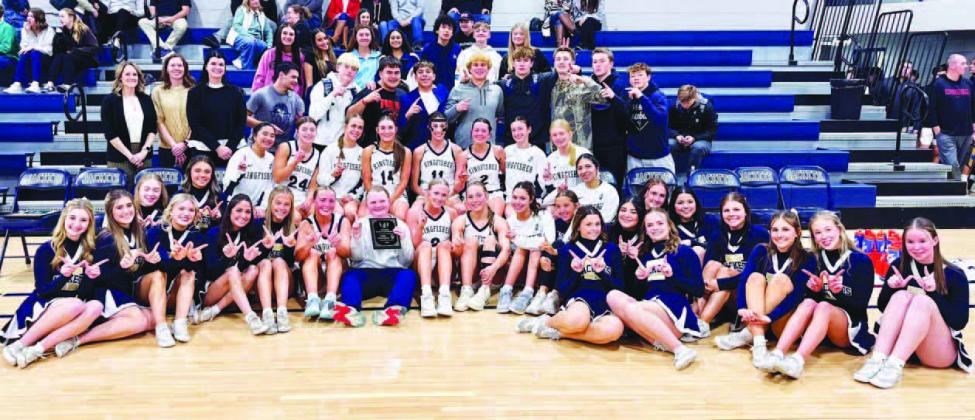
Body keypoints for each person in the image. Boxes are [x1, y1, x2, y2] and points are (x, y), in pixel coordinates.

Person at [853, 217, 971, 389]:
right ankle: (877, 360)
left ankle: (894, 366)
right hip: (906, 347)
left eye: (922, 241)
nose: (916, 247)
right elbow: (882, 307)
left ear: (935, 240)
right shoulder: (898, 265)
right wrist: (893, 288)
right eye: (910, 241)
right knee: (901, 295)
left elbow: (959, 322)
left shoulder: (954, 274)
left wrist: (933, 294)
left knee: (922, 301)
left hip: (938, 351)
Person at [767, 211, 876, 379]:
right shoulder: (813, 258)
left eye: (828, 230)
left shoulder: (860, 260)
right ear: (813, 237)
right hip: (820, 330)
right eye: (817, 233)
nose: (823, 236)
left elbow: (860, 306)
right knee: (809, 302)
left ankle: (797, 360)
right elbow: (810, 299)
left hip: (848, 328)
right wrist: (814, 291)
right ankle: (778, 353)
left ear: (839, 230)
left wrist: (840, 292)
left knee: (824, 306)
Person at [1, 199, 105, 368]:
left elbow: (84, 294)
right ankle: (18, 345)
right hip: (43, 306)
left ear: (89, 224)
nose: (77, 224)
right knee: (76, 305)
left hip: (69, 310)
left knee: (96, 306)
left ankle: (35, 350)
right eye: (72, 218)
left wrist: (90, 277)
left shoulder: (90, 251)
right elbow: (42, 291)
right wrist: (63, 277)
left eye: (83, 220)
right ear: (64, 218)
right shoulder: (46, 249)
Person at [714, 211, 815, 370]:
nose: (779, 234)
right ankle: (759, 342)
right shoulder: (761, 250)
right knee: (755, 277)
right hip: (762, 323)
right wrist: (741, 307)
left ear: (797, 232)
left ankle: (748, 333)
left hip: (783, 323)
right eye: (775, 230)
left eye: (785, 229)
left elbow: (797, 296)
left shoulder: (807, 257)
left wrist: (770, 317)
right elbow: (743, 280)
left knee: (780, 280)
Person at [606, 208, 705, 369]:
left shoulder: (684, 251)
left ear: (669, 225)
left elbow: (699, 290)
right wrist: (639, 278)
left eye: (660, 223)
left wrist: (673, 275)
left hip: (675, 310)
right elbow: (640, 293)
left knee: (634, 308)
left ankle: (680, 350)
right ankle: (660, 342)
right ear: (646, 230)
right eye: (650, 225)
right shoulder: (645, 255)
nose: (655, 227)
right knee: (613, 296)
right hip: (649, 307)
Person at [516, 205, 624, 344]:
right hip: (580, 299)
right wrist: (575, 273)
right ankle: (548, 320)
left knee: (614, 331)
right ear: (578, 226)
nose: (594, 228)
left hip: (605, 302)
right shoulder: (568, 249)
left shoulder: (611, 249)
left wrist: (602, 272)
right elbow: (562, 289)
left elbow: (620, 288)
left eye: (597, 224)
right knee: (578, 321)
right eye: (588, 224)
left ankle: (559, 333)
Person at [84, 190, 159, 350]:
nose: (126, 211)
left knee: (154, 319)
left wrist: (151, 261)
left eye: (129, 205)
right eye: (119, 208)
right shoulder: (106, 238)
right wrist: (121, 267)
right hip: (108, 292)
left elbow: (140, 269)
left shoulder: (139, 233)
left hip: (127, 291)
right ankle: (79, 339)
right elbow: (99, 278)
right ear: (110, 213)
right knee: (140, 321)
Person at [333, 186, 417, 327]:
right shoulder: (361, 224)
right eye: (373, 202)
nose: (378, 206)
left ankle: (392, 309)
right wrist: (358, 238)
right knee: (350, 276)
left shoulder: (400, 225)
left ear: (389, 202)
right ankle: (351, 310)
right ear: (367, 204)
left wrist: (403, 240)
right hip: (366, 273)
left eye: (382, 201)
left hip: (392, 273)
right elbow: (356, 258)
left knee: (409, 275)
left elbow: (407, 261)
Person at [697, 193, 770, 333]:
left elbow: (760, 273)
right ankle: (699, 320)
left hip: (748, 293)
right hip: (721, 296)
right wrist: (709, 284)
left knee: (725, 271)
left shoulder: (760, 235)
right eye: (726, 210)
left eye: (736, 210)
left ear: (745, 211)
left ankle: (702, 322)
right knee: (714, 265)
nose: (731, 214)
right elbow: (708, 267)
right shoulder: (717, 235)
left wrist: (720, 283)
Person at [195, 194, 267, 334]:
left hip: (232, 291)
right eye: (239, 210)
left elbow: (245, 265)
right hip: (210, 289)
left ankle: (215, 310)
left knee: (253, 269)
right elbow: (210, 271)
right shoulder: (213, 233)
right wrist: (227, 258)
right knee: (234, 271)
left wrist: (253, 255)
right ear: (229, 212)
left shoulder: (250, 233)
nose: (243, 215)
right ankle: (251, 318)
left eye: (247, 212)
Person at [142, 194, 207, 346]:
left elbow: (200, 277)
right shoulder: (155, 231)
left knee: (189, 274)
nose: (186, 213)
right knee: (159, 275)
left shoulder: (195, 236)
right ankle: (161, 328)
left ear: (196, 215)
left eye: (191, 210)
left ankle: (180, 323)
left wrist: (195, 260)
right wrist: (175, 259)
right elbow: (153, 266)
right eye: (181, 208)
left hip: (171, 294)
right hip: (149, 290)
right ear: (170, 211)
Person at [451, 180, 510, 311]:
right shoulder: (460, 221)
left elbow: (506, 250)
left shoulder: (498, 221)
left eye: (479, 195)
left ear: (486, 196)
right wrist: (457, 244)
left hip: (493, 274)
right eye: (470, 197)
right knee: (471, 241)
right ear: (466, 200)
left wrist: (493, 268)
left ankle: (485, 290)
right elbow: (455, 253)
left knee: (490, 239)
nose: (474, 200)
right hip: (470, 275)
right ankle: (466, 290)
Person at [499, 181, 555, 314]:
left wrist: (519, 239)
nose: (517, 202)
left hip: (540, 254)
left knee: (532, 249)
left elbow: (549, 241)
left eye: (523, 198)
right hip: (518, 258)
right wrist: (523, 242)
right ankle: (506, 290)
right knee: (521, 249)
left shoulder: (543, 215)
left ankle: (527, 293)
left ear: (531, 200)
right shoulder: (511, 221)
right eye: (515, 197)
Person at [296, 186, 351, 320]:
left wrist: (337, 245)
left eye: (331, 201)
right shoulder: (306, 223)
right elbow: (298, 257)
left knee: (333, 252)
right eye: (323, 200)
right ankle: (313, 298)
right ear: (314, 201)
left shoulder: (343, 221)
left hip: (338, 275)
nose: (327, 204)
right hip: (317, 278)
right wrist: (309, 244)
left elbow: (348, 253)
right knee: (312, 253)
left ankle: (330, 300)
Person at [186, 50, 247, 168]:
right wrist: (217, 147)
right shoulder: (195, 93)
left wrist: (229, 147)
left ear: (225, 68)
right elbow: (195, 124)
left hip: (232, 149)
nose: (217, 67)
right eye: (213, 64)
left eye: (221, 64)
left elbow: (240, 123)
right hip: (202, 148)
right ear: (206, 67)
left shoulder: (236, 92)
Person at [406, 179, 457, 317]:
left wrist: (455, 242)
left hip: (442, 267)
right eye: (436, 193)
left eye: (444, 195)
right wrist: (421, 227)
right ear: (427, 193)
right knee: (425, 245)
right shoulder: (414, 212)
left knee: (445, 244)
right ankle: (426, 295)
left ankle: (444, 295)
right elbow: (413, 246)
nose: (439, 198)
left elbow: (455, 248)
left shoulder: (451, 213)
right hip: (421, 265)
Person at [102, 61, 157, 182]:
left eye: (135, 74)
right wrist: (130, 156)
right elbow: (109, 133)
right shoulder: (109, 100)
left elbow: (153, 128)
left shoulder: (146, 99)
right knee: (120, 196)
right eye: (127, 74)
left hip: (144, 154)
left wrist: (143, 152)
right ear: (120, 77)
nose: (131, 77)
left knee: (144, 195)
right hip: (119, 154)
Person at [254, 186, 298, 334]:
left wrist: (290, 248)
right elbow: (252, 260)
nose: (282, 208)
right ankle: (267, 314)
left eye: (286, 204)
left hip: (284, 286)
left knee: (279, 261)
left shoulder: (292, 228)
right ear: (270, 203)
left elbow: (291, 265)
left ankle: (282, 313)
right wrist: (266, 248)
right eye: (278, 203)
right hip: (262, 284)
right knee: (266, 263)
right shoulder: (257, 224)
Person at [526, 189, 577, 315]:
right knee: (552, 246)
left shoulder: (581, 223)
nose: (562, 210)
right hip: (557, 261)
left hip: (575, 265)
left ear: (577, 206)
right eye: (558, 206)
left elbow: (575, 249)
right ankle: (542, 293)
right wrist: (545, 257)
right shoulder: (556, 223)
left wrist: (554, 252)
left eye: (566, 205)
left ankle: (555, 295)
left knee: (559, 245)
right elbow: (548, 244)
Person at [499, 47, 557, 148]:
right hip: (511, 141)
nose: (522, 64)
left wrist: (577, 70)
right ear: (513, 63)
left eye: (526, 60)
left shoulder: (542, 80)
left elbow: (560, 73)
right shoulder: (504, 85)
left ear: (531, 63)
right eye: (518, 60)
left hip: (537, 141)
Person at [928, 54, 974, 180]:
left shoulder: (968, 84)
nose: (966, 66)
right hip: (946, 133)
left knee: (957, 164)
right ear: (953, 65)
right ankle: (958, 192)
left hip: (965, 133)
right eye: (963, 63)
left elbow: (973, 107)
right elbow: (931, 108)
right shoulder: (938, 84)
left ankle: (944, 188)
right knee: (953, 165)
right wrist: (936, 128)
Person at [620, 62, 672, 174]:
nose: (636, 78)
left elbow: (659, 119)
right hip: (635, 157)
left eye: (640, 75)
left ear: (648, 77)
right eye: (632, 76)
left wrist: (642, 97)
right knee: (635, 191)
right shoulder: (627, 97)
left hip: (658, 157)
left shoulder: (658, 96)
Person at [445, 51, 504, 148]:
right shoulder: (458, 89)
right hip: (463, 145)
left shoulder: (497, 90)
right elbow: (446, 119)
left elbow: (500, 117)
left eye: (483, 65)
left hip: (489, 146)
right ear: (469, 69)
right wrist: (456, 109)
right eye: (475, 65)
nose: (479, 68)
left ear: (488, 69)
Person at [409, 112, 466, 212]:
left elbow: (459, 183)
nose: (438, 130)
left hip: (449, 194)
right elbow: (414, 185)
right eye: (435, 126)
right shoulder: (419, 151)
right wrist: (429, 196)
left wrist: (444, 196)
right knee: (414, 211)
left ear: (447, 127)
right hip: (425, 194)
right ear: (429, 127)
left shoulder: (456, 150)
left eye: (442, 126)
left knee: (461, 209)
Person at [550, 47, 605, 150]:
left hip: (581, 145)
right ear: (554, 63)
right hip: (557, 146)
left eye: (566, 59)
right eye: (558, 59)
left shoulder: (583, 83)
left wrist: (587, 81)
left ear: (573, 62)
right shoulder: (549, 85)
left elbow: (603, 98)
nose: (561, 62)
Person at [588, 47, 628, 187]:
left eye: (602, 61)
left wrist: (614, 98)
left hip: (614, 147)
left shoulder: (620, 84)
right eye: (594, 62)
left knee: (613, 187)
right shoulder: (588, 84)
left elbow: (626, 117)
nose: (597, 65)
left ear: (611, 64)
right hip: (592, 145)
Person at [346, 56, 407, 146]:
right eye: (389, 72)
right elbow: (348, 116)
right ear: (380, 74)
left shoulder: (403, 94)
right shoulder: (370, 90)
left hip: (394, 148)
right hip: (369, 148)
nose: (393, 76)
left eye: (396, 73)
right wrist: (364, 101)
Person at [361, 114, 411, 219]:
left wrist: (389, 201)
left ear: (396, 129)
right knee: (363, 216)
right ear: (377, 130)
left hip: (397, 195)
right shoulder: (368, 151)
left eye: (390, 128)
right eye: (382, 128)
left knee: (400, 215)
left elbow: (404, 182)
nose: (386, 131)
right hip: (374, 193)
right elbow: (367, 181)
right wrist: (376, 200)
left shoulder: (405, 152)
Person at [316, 115, 366, 220]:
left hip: (351, 198)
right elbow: (320, 180)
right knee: (337, 213)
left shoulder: (363, 153)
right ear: (345, 127)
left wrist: (352, 196)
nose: (356, 130)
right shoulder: (330, 150)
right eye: (353, 126)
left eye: (360, 127)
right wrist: (333, 175)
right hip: (330, 197)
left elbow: (364, 182)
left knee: (350, 212)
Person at [247, 62, 305, 149]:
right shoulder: (261, 94)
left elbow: (300, 123)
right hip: (258, 147)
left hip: (281, 149)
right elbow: (243, 117)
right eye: (293, 77)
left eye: (297, 78)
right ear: (281, 75)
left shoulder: (296, 99)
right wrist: (266, 126)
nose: (296, 81)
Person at [308, 52, 360, 150]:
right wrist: (332, 95)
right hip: (320, 141)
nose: (349, 71)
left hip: (343, 144)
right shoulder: (323, 85)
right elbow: (313, 115)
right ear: (338, 67)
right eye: (346, 67)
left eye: (353, 69)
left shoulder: (356, 90)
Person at [151, 53, 194, 169]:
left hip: (191, 146)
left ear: (185, 68)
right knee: (168, 187)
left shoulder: (194, 90)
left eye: (180, 65)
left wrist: (184, 144)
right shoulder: (157, 91)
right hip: (167, 148)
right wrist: (174, 146)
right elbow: (159, 121)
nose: (176, 68)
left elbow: (197, 121)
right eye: (172, 65)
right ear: (166, 69)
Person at [223, 123, 277, 213]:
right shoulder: (241, 154)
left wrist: (262, 208)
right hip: (236, 206)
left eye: (272, 136)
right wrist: (239, 172)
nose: (268, 138)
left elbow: (270, 187)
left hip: (258, 209)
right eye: (264, 134)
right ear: (254, 136)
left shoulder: (271, 158)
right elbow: (227, 186)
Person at [273, 117, 320, 211]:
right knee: (296, 217)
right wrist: (295, 162)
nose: (308, 133)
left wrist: (309, 200)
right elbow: (277, 178)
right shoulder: (286, 147)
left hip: (301, 197)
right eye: (304, 129)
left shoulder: (318, 154)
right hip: (282, 193)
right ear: (297, 131)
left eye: (312, 130)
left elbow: (313, 185)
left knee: (317, 213)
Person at [399, 61, 449, 149]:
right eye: (420, 72)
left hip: (441, 147)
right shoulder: (407, 98)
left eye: (428, 71)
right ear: (415, 77)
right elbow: (400, 129)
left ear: (434, 76)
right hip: (416, 147)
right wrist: (408, 115)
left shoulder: (443, 91)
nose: (424, 75)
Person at [667, 85, 717, 174]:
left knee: (698, 147)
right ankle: (669, 173)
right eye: (682, 102)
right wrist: (677, 135)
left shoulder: (707, 107)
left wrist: (694, 138)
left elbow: (711, 131)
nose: (685, 105)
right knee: (669, 144)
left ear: (695, 98)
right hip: (680, 138)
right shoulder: (674, 106)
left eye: (688, 102)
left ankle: (691, 175)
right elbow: (668, 126)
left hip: (701, 139)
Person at [46, 8, 98, 92]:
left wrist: (75, 51)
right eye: (59, 17)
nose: (60, 19)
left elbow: (94, 47)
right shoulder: (64, 30)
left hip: (87, 59)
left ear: (71, 17)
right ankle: (50, 83)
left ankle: (67, 84)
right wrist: (59, 35)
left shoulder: (83, 28)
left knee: (68, 56)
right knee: (59, 56)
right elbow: (57, 50)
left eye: (62, 16)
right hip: (72, 59)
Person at [541, 119, 590, 206]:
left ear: (570, 134)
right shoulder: (549, 160)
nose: (558, 138)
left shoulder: (583, 154)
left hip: (582, 201)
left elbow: (593, 184)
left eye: (561, 133)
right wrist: (556, 190)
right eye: (554, 135)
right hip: (559, 203)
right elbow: (545, 196)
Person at [4, 8, 53, 94]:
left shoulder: (49, 30)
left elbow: (49, 50)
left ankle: (35, 84)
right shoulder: (25, 29)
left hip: (46, 60)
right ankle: (17, 84)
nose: (28, 18)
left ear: (39, 19)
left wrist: (33, 47)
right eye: (28, 16)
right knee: (25, 53)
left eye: (32, 16)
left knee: (35, 53)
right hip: (31, 58)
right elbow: (24, 46)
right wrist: (28, 32)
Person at [252, 23, 306, 98]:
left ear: (295, 37)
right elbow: (259, 77)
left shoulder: (300, 57)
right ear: (279, 35)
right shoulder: (269, 54)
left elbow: (301, 83)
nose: (288, 36)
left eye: (291, 34)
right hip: (268, 99)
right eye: (284, 33)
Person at [465, 118, 506, 215]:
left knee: (495, 217)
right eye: (476, 130)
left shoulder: (498, 151)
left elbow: (506, 174)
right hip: (473, 195)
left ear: (489, 134)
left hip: (494, 193)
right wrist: (462, 180)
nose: (480, 134)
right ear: (471, 132)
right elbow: (458, 185)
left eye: (484, 131)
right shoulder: (464, 155)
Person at [668, 186, 719, 264]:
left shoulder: (711, 221)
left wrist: (692, 243)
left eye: (690, 202)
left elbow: (718, 247)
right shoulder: (668, 227)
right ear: (673, 205)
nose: (686, 206)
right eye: (680, 203)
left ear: (696, 203)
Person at [503, 117, 547, 200]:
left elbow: (542, 182)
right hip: (509, 199)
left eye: (520, 129)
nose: (517, 133)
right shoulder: (506, 151)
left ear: (529, 129)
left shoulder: (538, 153)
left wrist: (534, 199)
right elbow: (501, 176)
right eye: (513, 130)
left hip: (529, 200)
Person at [608, 197, 643, 297]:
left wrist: (636, 258)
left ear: (640, 215)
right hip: (610, 289)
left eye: (633, 212)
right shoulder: (608, 231)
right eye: (623, 210)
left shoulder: (646, 236)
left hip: (637, 291)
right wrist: (619, 255)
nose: (627, 215)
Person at [569, 153, 618, 223]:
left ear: (597, 168)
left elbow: (607, 218)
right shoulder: (574, 191)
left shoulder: (609, 191)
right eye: (580, 168)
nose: (584, 171)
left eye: (588, 166)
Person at [228, 0, 276, 70]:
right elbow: (236, 26)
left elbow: (268, 31)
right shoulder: (241, 10)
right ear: (248, 1)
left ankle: (240, 59)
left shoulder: (261, 14)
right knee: (250, 42)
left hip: (255, 40)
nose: (256, 1)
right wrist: (249, 36)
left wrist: (269, 45)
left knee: (263, 45)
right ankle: (247, 69)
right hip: (240, 36)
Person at [180, 155, 222, 232]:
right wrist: (204, 219)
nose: (202, 175)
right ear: (189, 172)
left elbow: (224, 230)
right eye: (197, 170)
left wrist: (215, 220)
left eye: (207, 172)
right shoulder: (179, 196)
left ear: (212, 175)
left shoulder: (220, 197)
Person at [419, 15, 460, 90]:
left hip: (453, 91)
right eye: (443, 27)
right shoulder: (427, 49)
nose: (447, 30)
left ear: (452, 33)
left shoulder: (457, 49)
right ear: (437, 30)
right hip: (432, 90)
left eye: (450, 28)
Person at [347, 24, 381, 88]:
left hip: (375, 93)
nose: (364, 37)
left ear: (371, 37)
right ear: (355, 38)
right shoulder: (348, 57)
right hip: (354, 94)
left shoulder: (379, 57)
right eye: (361, 35)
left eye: (367, 35)